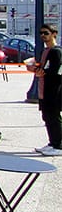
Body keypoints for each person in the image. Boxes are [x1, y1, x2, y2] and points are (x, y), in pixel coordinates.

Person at [29, 23, 62, 156]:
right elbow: (43, 67)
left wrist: (40, 71)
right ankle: (52, 142)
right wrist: (35, 68)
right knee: (47, 117)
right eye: (41, 33)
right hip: (44, 88)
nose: (43, 35)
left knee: (54, 117)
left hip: (54, 90)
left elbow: (54, 71)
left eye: (46, 33)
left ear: (54, 34)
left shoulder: (57, 51)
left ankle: (59, 145)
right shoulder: (45, 51)